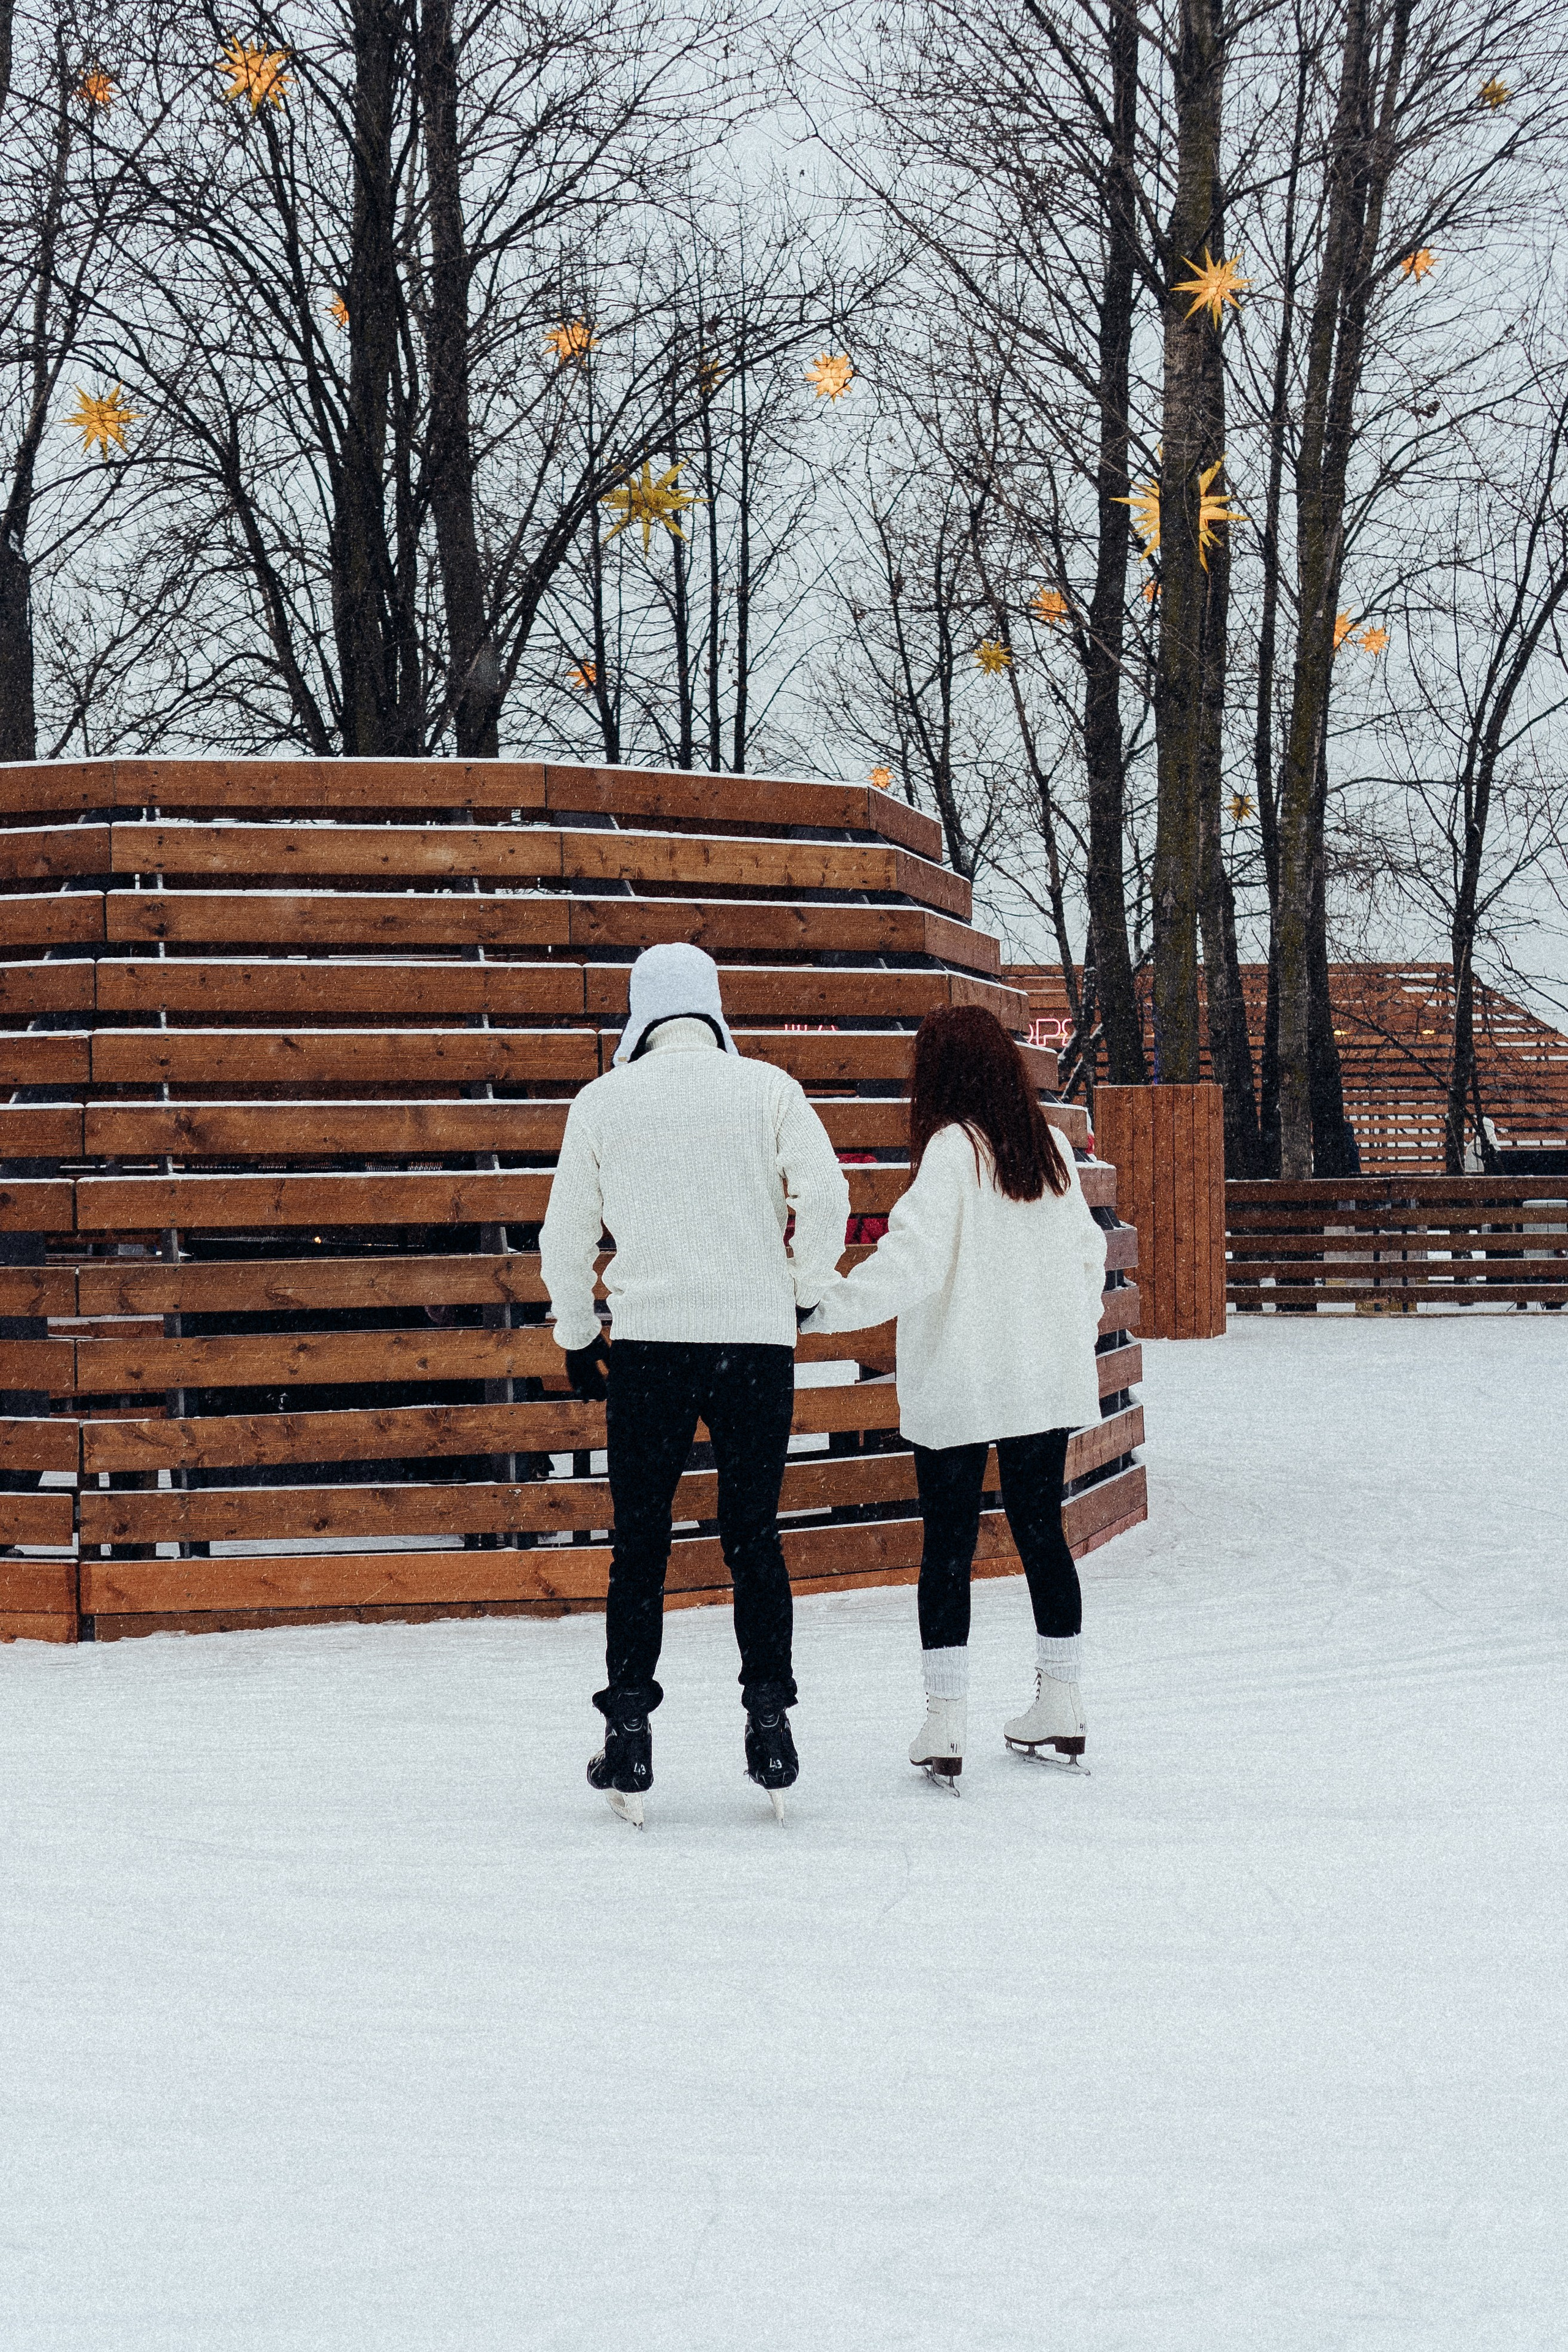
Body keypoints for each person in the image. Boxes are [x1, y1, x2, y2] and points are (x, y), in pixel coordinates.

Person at [540, 941, 850, 1824]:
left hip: (651, 1350)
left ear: (640, 1012)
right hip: (754, 1346)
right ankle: (769, 1725)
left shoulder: (603, 1103)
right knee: (754, 1536)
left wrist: (576, 1332)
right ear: (712, 1006)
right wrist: (801, 1291)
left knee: (639, 1543)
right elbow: (825, 1197)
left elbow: (564, 1239)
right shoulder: (770, 1090)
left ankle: (630, 1735)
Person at [801, 1005, 1107, 1784]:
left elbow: (909, 1263)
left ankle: (944, 1723)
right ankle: (1062, 1703)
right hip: (1040, 1382)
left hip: (965, 1383)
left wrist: (823, 1304)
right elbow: (1088, 1258)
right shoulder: (1051, 1152)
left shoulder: (950, 1150)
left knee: (949, 1545)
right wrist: (1068, 1341)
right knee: (1042, 1534)